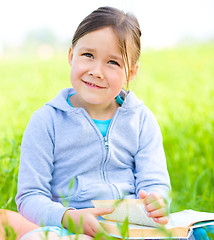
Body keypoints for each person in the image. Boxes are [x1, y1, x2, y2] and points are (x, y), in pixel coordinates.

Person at [15, 6, 171, 240]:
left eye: (113, 63)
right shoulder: (47, 121)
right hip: (68, 228)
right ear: (71, 55)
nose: (97, 71)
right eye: (88, 55)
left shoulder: (141, 120)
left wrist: (157, 201)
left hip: (128, 228)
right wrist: (67, 217)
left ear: (131, 73)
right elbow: (30, 196)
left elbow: (155, 183)